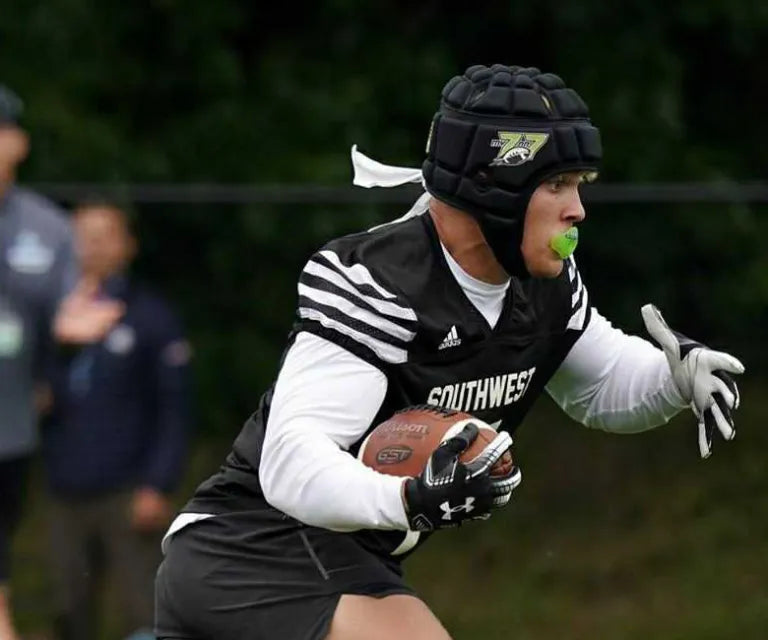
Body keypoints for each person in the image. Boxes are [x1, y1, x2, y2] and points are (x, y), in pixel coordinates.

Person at [154, 65, 744, 640]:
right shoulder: (385, 284)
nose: (577, 210)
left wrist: (674, 378)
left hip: (345, 560)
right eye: (557, 185)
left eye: (578, 186)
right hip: (252, 552)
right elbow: (291, 462)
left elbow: (601, 384)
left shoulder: (542, 286)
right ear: (496, 188)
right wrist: (409, 498)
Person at [46, 201, 192, 640]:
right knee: (66, 604)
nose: (90, 246)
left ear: (128, 245)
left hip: (128, 488)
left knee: (139, 608)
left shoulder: (150, 316)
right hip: (64, 486)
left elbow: (175, 408)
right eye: (80, 235)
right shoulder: (48, 315)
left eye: (102, 235)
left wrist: (158, 483)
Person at [0, 83, 79, 640]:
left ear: (17, 142)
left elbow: (66, 319)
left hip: (13, 426)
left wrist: (67, 335)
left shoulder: (48, 227)